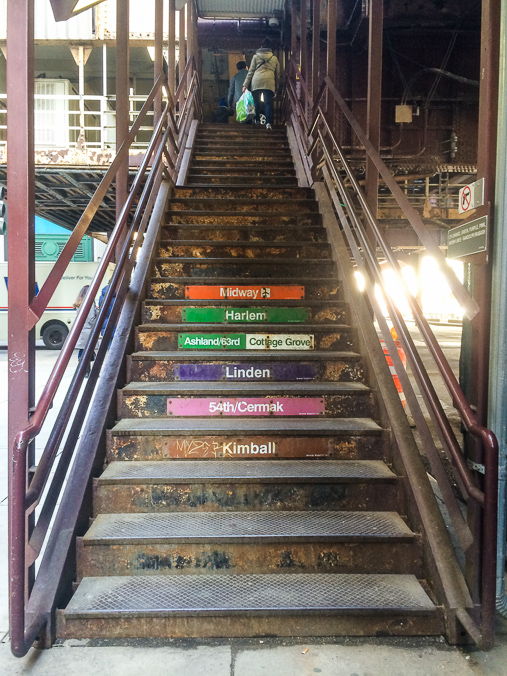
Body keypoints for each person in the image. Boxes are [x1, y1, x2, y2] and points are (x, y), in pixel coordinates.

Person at [242, 37, 280, 130]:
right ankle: (268, 123)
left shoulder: (256, 57)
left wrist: (245, 85)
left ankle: (257, 121)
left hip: (257, 81)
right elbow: (278, 74)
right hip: (269, 82)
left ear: (261, 46)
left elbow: (250, 71)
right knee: (268, 103)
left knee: (256, 103)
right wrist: (276, 87)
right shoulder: (274, 58)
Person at [73, 285, 97, 376]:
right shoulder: (89, 303)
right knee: (88, 352)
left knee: (82, 351)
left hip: (82, 331)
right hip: (88, 331)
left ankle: (83, 371)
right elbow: (91, 318)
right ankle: (86, 372)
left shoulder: (79, 303)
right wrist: (97, 323)